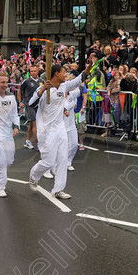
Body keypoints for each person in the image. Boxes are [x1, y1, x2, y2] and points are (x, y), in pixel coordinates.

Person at [28, 62, 87, 198]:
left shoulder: (64, 86)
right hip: (47, 130)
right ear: (56, 74)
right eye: (63, 72)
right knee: (48, 162)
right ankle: (34, 174)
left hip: (60, 128)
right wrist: (42, 90)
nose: (65, 75)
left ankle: (58, 189)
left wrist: (88, 67)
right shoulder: (45, 89)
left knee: (62, 158)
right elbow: (31, 103)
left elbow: (79, 79)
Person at [18, 66, 42, 149]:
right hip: (29, 105)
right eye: (31, 71)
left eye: (35, 71)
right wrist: (20, 101)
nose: (33, 72)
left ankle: (27, 141)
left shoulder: (42, 81)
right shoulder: (27, 81)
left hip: (39, 105)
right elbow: (20, 90)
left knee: (32, 124)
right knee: (35, 123)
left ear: (38, 71)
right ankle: (39, 144)